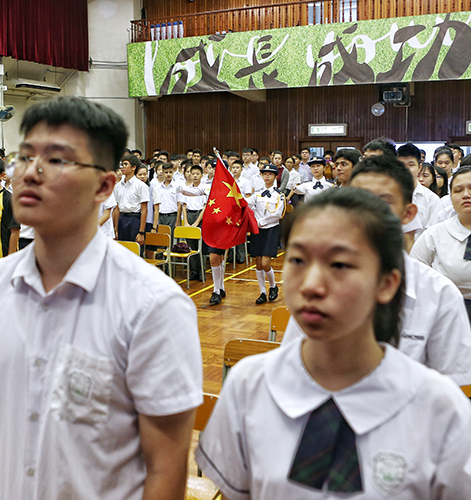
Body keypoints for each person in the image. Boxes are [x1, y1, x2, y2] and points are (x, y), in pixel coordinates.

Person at [0, 97, 203, 500]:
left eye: (57, 161)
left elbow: (166, 465)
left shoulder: (154, 304)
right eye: (25, 156)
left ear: (104, 185)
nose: (31, 173)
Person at [197, 187, 471, 499]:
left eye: (339, 265)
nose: (312, 285)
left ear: (387, 284)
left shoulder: (439, 406)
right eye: (298, 259)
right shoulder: (249, 384)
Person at [284, 155, 471, 385]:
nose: (365, 215)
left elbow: (452, 388)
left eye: (381, 203)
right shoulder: (317, 288)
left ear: (408, 214)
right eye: (356, 203)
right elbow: (292, 367)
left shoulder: (439, 294)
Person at [411, 165, 471, 322]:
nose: (466, 195)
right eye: (458, 191)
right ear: (450, 197)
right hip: (446, 311)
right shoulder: (435, 233)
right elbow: (413, 272)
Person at [248, 164, 285, 304]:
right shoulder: (256, 194)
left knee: (265, 263)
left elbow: (277, 214)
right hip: (257, 230)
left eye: (270, 174)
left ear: (276, 176)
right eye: (265, 174)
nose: (267, 176)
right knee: (257, 263)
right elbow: (246, 204)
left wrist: (260, 222)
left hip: (270, 229)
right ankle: (263, 292)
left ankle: (273, 286)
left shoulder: (279, 195)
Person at [114, 153, 149, 246]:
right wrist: (116, 228)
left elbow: (144, 210)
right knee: (122, 250)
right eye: (122, 164)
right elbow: (117, 208)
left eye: (126, 164)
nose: (122, 167)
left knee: (135, 251)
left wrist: (141, 232)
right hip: (122, 218)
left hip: (134, 219)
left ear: (133, 167)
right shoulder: (118, 186)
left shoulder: (141, 186)